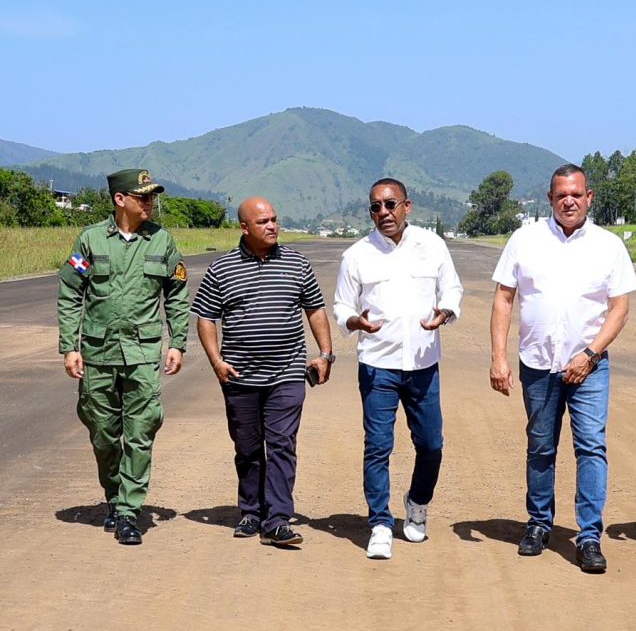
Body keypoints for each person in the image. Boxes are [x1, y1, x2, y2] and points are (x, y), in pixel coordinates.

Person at [490, 163, 636, 574]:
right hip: (537, 363)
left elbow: (620, 307)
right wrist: (498, 356)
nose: (569, 201)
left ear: (589, 198)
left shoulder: (609, 246)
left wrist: (590, 354)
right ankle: (539, 523)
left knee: (591, 446)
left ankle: (589, 535)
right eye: (561, 195)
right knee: (541, 447)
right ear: (550, 199)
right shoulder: (525, 240)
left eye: (577, 194)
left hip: (590, 366)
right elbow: (504, 298)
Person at [57, 168, 190, 545]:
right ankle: (114, 497)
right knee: (102, 433)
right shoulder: (90, 240)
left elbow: (177, 294)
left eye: (151, 196)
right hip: (98, 354)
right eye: (143, 196)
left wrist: (177, 341)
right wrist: (70, 345)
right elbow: (70, 294)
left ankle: (129, 511)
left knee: (140, 432)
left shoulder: (162, 241)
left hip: (143, 353)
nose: (150, 203)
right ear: (120, 200)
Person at [192, 197, 333, 548]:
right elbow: (206, 317)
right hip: (240, 376)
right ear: (244, 228)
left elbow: (315, 310)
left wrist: (325, 354)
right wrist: (216, 361)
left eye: (274, 219)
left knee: (282, 444)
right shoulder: (222, 269)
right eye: (263, 222)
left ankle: (278, 518)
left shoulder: (297, 263)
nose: (272, 226)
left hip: (286, 372)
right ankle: (251, 511)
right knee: (248, 447)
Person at [334, 178, 463, 560]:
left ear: (407, 206)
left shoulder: (433, 246)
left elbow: (452, 290)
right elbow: (341, 306)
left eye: (390, 205)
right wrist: (356, 321)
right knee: (377, 447)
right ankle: (379, 523)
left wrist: (445, 312)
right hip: (378, 367)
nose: (383, 213)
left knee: (431, 445)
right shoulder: (356, 255)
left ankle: (418, 503)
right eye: (375, 207)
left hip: (423, 365)